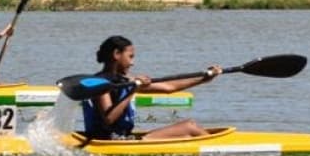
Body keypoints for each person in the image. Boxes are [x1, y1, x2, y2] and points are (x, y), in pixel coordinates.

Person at [81, 35, 221, 140]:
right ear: (117, 54)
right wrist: (133, 90)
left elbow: (168, 87)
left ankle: (212, 146)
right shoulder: (100, 83)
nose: (132, 63)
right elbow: (108, 119)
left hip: (124, 139)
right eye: (130, 57)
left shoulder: (126, 81)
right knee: (189, 126)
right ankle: (217, 149)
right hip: (109, 142)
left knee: (188, 128)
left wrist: (203, 79)